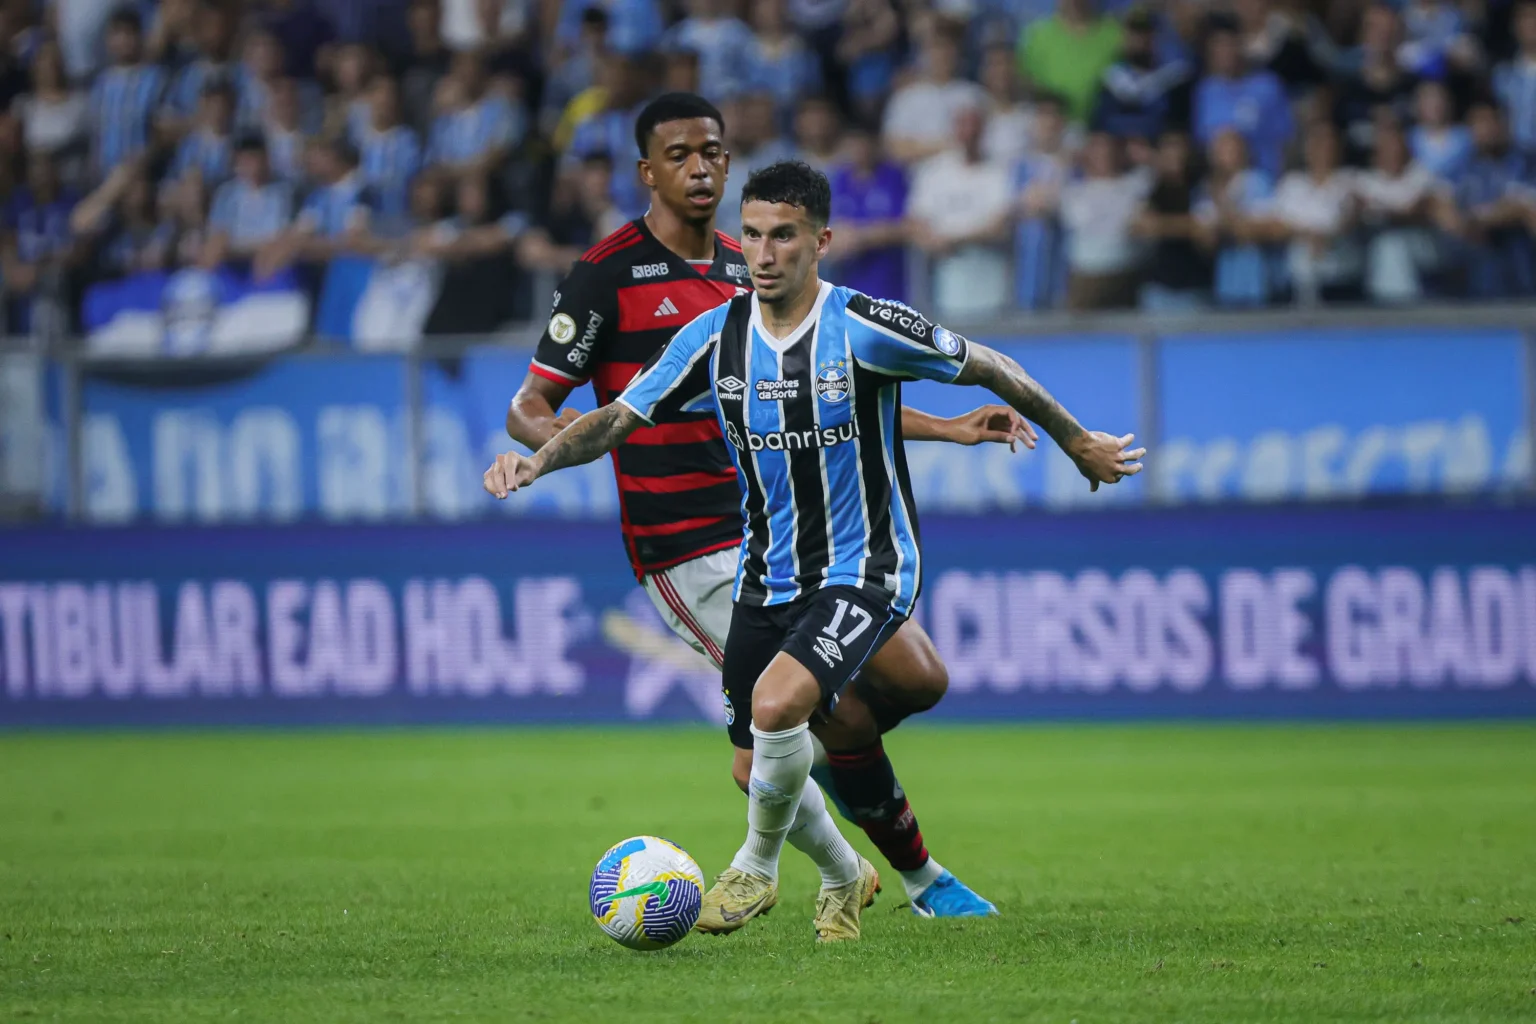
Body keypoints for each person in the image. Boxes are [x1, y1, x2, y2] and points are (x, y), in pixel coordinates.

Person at [484, 158, 1143, 941]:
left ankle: (755, 869)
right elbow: (619, 418)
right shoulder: (714, 336)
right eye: (754, 235)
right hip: (768, 572)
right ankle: (851, 877)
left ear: (820, 242)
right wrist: (537, 459)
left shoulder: (864, 323)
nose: (762, 254)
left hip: (864, 566)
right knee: (758, 759)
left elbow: (992, 366)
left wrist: (1076, 441)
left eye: (783, 237)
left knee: (788, 703)